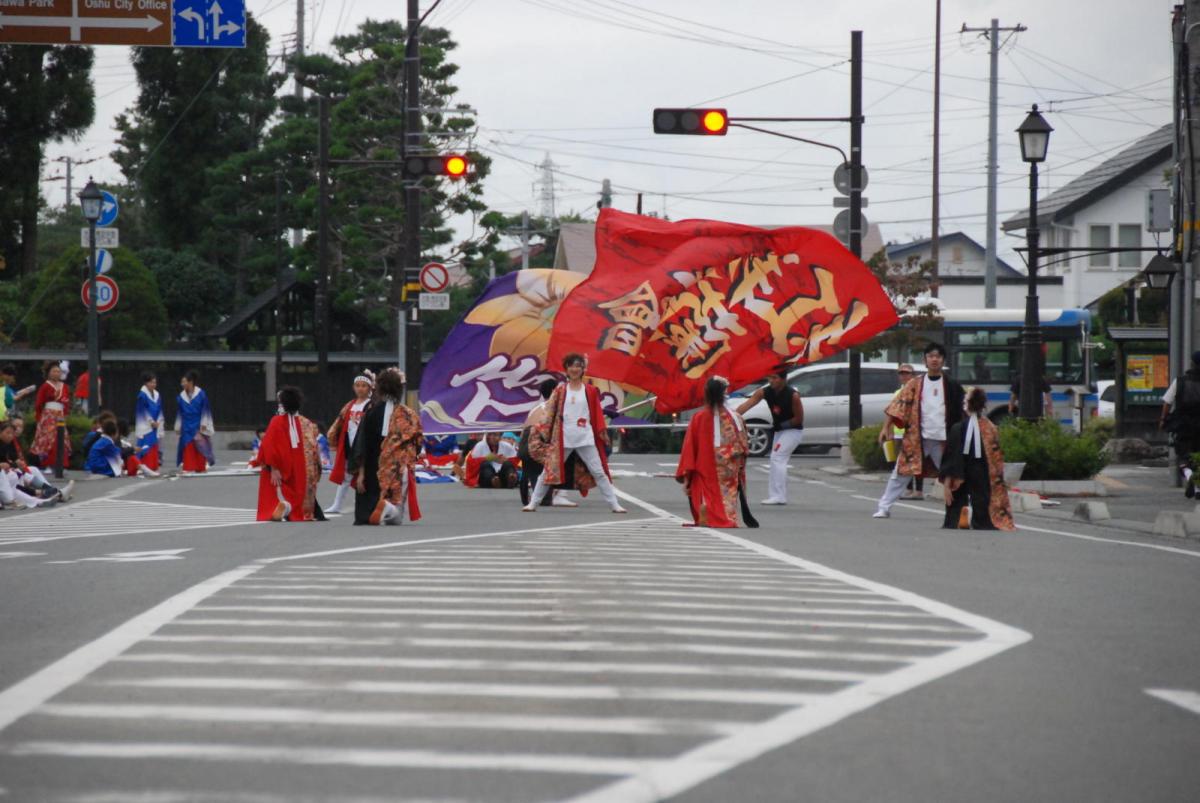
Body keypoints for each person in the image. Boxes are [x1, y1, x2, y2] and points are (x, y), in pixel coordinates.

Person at [522, 353, 626, 514]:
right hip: (563, 438)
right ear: (567, 369)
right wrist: (543, 430)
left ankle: (614, 504)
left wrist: (601, 432)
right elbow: (550, 412)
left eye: (578, 365)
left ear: (583, 369)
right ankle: (533, 503)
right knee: (549, 470)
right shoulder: (560, 390)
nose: (575, 369)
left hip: (585, 437)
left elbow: (596, 414)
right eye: (572, 365)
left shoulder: (590, 391)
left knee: (599, 472)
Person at [874, 342, 965, 519]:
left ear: (943, 360)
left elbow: (965, 410)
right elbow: (896, 406)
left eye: (938, 356)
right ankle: (884, 507)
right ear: (925, 360)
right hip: (918, 438)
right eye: (931, 356)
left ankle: (964, 509)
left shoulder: (952, 385)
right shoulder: (915, 384)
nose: (934, 359)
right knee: (900, 474)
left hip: (944, 440)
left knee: (955, 474)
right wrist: (886, 427)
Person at [676, 376, 757, 528]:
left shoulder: (699, 417)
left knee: (707, 492)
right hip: (731, 465)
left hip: (706, 463)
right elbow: (744, 445)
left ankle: (710, 518)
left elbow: (690, 447)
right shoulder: (736, 418)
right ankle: (728, 518)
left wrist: (686, 474)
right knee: (728, 494)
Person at [349, 368, 423, 525]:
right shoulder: (409, 414)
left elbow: (361, 445)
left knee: (368, 510)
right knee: (397, 516)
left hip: (372, 470)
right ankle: (388, 508)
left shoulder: (370, 413)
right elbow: (418, 442)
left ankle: (381, 509)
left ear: (379, 388)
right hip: (399, 466)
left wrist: (361, 474)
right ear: (399, 389)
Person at [940, 387, 1015, 531]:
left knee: (959, 494)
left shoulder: (959, 427)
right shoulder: (991, 427)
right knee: (982, 494)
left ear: (967, 404)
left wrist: (948, 480)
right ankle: (983, 520)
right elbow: (997, 456)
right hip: (984, 471)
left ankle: (957, 519)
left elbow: (953, 456)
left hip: (962, 468)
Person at [251, 386, 326, 522]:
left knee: (272, 483)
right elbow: (315, 451)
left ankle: (277, 507)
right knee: (298, 491)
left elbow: (269, 447)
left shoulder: (277, 421)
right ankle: (299, 511)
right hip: (301, 470)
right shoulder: (307, 423)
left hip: (280, 467)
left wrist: (273, 468)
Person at [736, 369, 804, 505]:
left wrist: (782, 425)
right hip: (779, 432)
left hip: (792, 431)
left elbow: (799, 419)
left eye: (775, 378)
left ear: (784, 379)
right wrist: (732, 416)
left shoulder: (793, 395)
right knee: (775, 459)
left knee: (778, 458)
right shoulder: (764, 392)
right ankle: (776, 494)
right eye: (769, 378)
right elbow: (748, 404)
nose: (771, 381)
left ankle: (780, 496)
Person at [518, 378, 576, 508]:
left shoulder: (535, 409)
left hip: (523, 447)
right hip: (536, 446)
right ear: (553, 391)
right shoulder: (553, 406)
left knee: (544, 499)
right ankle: (561, 494)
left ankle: (540, 492)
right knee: (570, 452)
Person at [326, 374, 373, 514]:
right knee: (346, 475)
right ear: (353, 387)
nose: (360, 389)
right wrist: (332, 437)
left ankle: (367, 502)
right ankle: (337, 504)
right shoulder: (350, 405)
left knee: (367, 475)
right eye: (357, 385)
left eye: (363, 386)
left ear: (369, 388)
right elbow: (339, 422)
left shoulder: (371, 405)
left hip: (365, 444)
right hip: (349, 444)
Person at [877, 364, 924, 500]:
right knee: (903, 463)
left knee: (916, 461)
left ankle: (919, 490)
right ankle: (908, 489)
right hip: (899, 432)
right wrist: (888, 429)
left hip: (913, 432)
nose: (904, 376)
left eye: (907, 373)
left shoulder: (918, 391)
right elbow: (892, 412)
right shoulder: (898, 393)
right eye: (901, 374)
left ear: (912, 375)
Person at [1160, 350, 1200, 497]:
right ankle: (1197, 489)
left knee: (1183, 455)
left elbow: (1167, 402)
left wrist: (1163, 420)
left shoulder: (1180, 381)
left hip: (1183, 424)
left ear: (1192, 363)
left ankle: (1190, 477)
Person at [0, 420, 71, 502]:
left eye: (12, 433)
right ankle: (51, 493)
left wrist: (17, 463)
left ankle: (52, 491)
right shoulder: (6, 443)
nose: (10, 436)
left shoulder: (12, 442)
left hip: (7, 471)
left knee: (32, 470)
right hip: (5, 473)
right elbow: (6, 462)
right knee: (17, 474)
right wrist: (12, 465)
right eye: (8, 433)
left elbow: (13, 459)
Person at [31, 361, 71, 469]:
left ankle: (60, 464)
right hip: (48, 416)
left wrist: (65, 413)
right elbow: (39, 404)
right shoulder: (45, 386)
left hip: (60, 415)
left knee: (61, 439)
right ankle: (48, 464)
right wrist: (39, 419)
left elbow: (67, 402)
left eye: (58, 371)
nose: (56, 374)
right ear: (49, 373)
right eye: (54, 371)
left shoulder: (65, 387)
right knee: (49, 440)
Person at [175, 370, 215, 473]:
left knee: (200, 446)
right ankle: (188, 467)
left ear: (191, 382)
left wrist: (204, 423)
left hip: (198, 423)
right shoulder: (180, 396)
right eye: (182, 382)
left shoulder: (201, 394)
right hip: (186, 424)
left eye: (184, 382)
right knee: (187, 445)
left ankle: (200, 467)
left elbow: (206, 409)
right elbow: (179, 412)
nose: (182, 384)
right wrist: (178, 425)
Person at [134, 372, 165, 472]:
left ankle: (153, 465)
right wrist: (151, 421)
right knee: (145, 444)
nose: (153, 384)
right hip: (146, 424)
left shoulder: (157, 394)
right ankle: (143, 465)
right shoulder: (142, 395)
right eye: (151, 382)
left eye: (154, 382)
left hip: (156, 423)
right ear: (146, 383)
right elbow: (142, 410)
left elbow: (160, 409)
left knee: (154, 444)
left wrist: (158, 421)